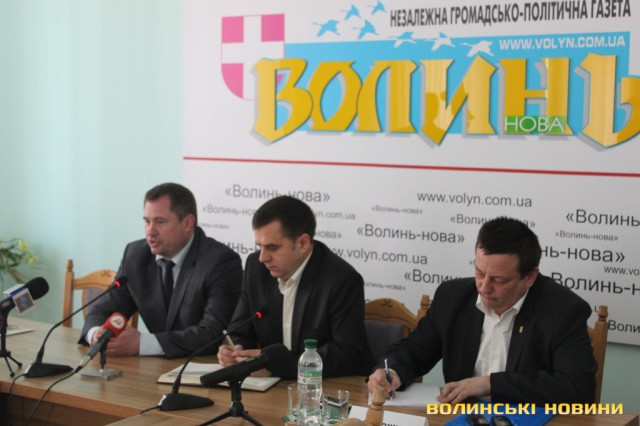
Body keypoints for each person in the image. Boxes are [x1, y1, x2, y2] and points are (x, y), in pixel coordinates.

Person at [368, 217, 597, 404]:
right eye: (479, 273)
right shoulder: (452, 297)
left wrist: (490, 384)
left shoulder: (563, 311)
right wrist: (391, 371)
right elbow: (414, 350)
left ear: (530, 277)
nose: (484, 287)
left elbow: (578, 387)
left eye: (499, 280)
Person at [217, 195, 373, 379]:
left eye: (272, 248)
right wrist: (233, 348)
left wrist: (278, 366)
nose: (263, 257)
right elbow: (239, 330)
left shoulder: (341, 280)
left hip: (323, 386)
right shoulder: (256, 269)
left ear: (303, 243)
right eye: (260, 246)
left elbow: (346, 354)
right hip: (269, 387)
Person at [80, 182, 242, 358]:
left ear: (188, 223)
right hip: (154, 367)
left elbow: (214, 333)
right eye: (147, 221)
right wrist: (96, 335)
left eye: (160, 222)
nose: (150, 231)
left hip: (201, 366)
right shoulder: (135, 256)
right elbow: (102, 310)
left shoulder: (220, 262)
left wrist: (143, 344)